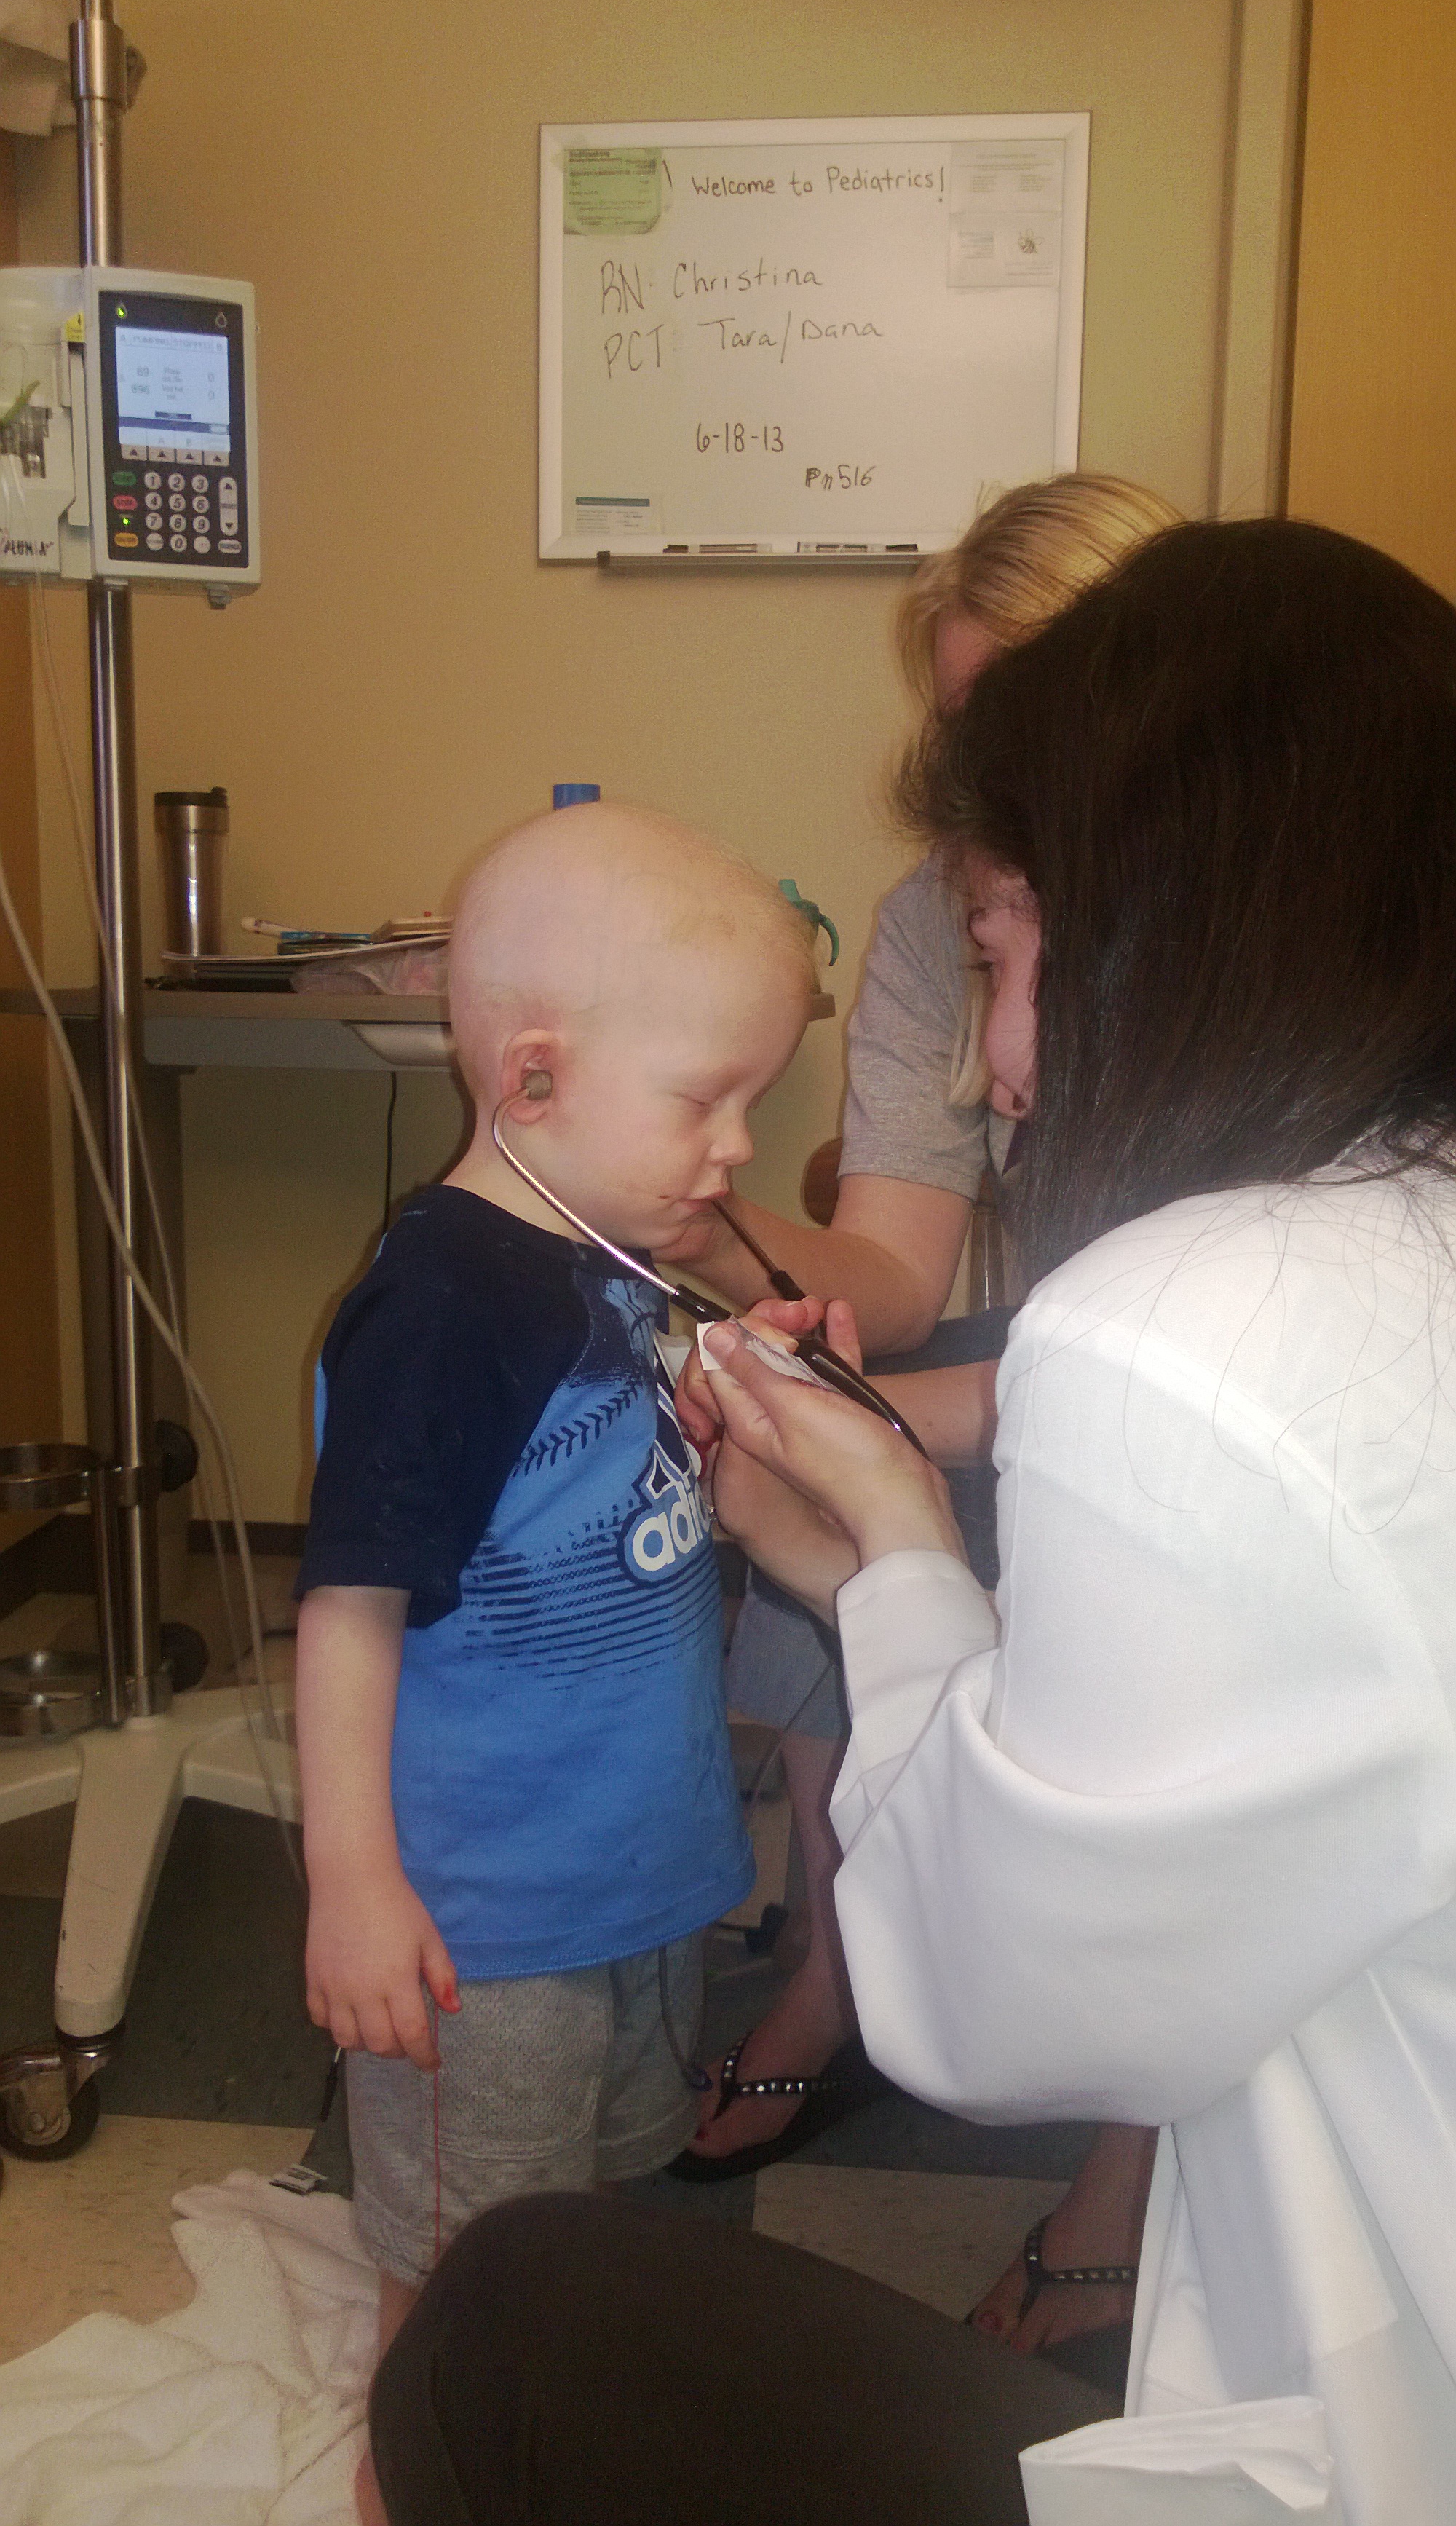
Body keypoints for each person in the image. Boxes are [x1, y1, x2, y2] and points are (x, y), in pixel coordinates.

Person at [363, 518, 1456, 2526]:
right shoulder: (1397, 1239)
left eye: (1015, 954)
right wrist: (861, 1530)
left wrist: (898, 1549)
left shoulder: (1197, 1325)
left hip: (1366, 2444)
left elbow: (988, 2011)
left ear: (1168, 917)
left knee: (506, 2324)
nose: (1001, 1060)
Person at [666, 473, 1179, 2387]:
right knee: (812, 1489)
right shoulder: (925, 920)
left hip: (1172, 1390)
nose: (985, 777)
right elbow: (889, 1266)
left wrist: (908, 1444)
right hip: (1060, 1349)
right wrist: (706, 1216)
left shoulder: (1241, 930)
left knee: (1112, 1620)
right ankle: (842, 1968)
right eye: (967, 726)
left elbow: (1175, 1373)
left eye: (1023, 718)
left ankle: (1132, 2154)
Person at [290, 802, 815, 2518]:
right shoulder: (443, 1306)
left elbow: (582, 1482)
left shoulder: (596, 1251)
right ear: (533, 1078)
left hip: (628, 1876)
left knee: (573, 2231)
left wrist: (717, 1388)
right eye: (704, 1101)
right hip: (486, 1927)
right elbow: (349, 1605)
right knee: (463, 2281)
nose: (738, 1146)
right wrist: (354, 1883)